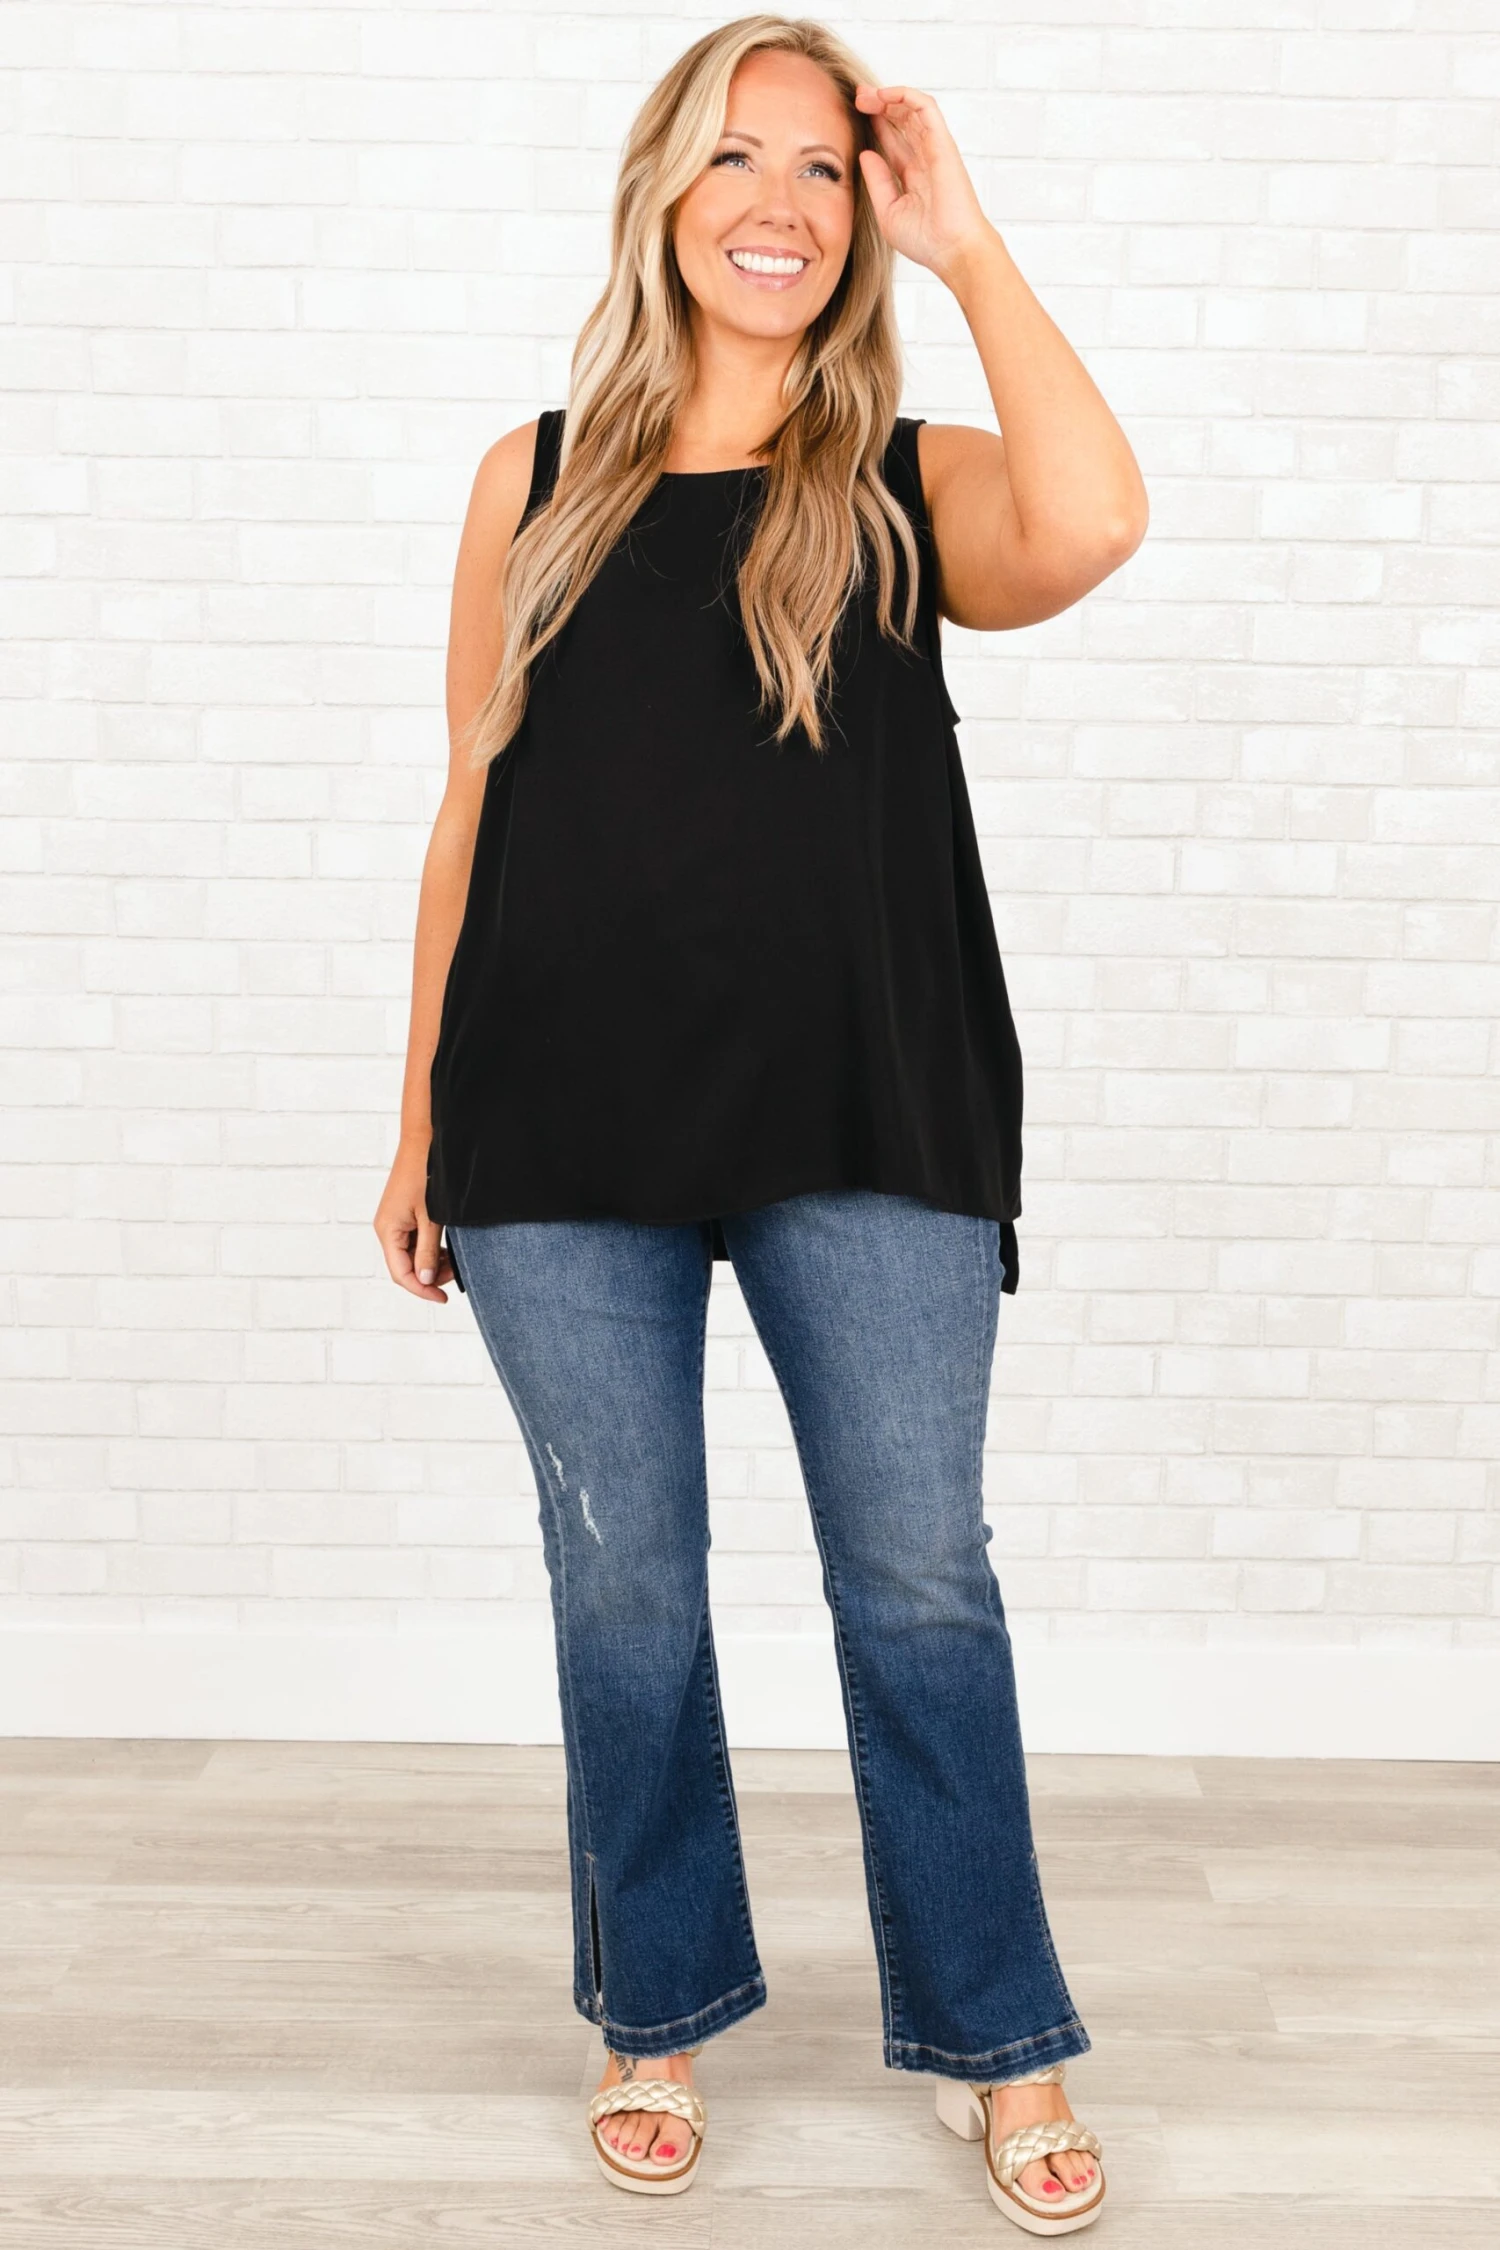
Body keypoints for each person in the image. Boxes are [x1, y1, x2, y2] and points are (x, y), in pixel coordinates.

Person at [375, 13, 1146, 2229]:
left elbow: (1098, 520)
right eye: (737, 157)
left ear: (861, 211)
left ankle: (998, 2038)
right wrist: (418, 1121)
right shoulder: (530, 479)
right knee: (622, 1581)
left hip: (866, 1105)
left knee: (917, 1578)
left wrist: (967, 237)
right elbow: (470, 808)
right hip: (556, 1116)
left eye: (823, 167)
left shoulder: (906, 476)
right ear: (663, 193)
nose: (781, 203)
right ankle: (657, 2004)